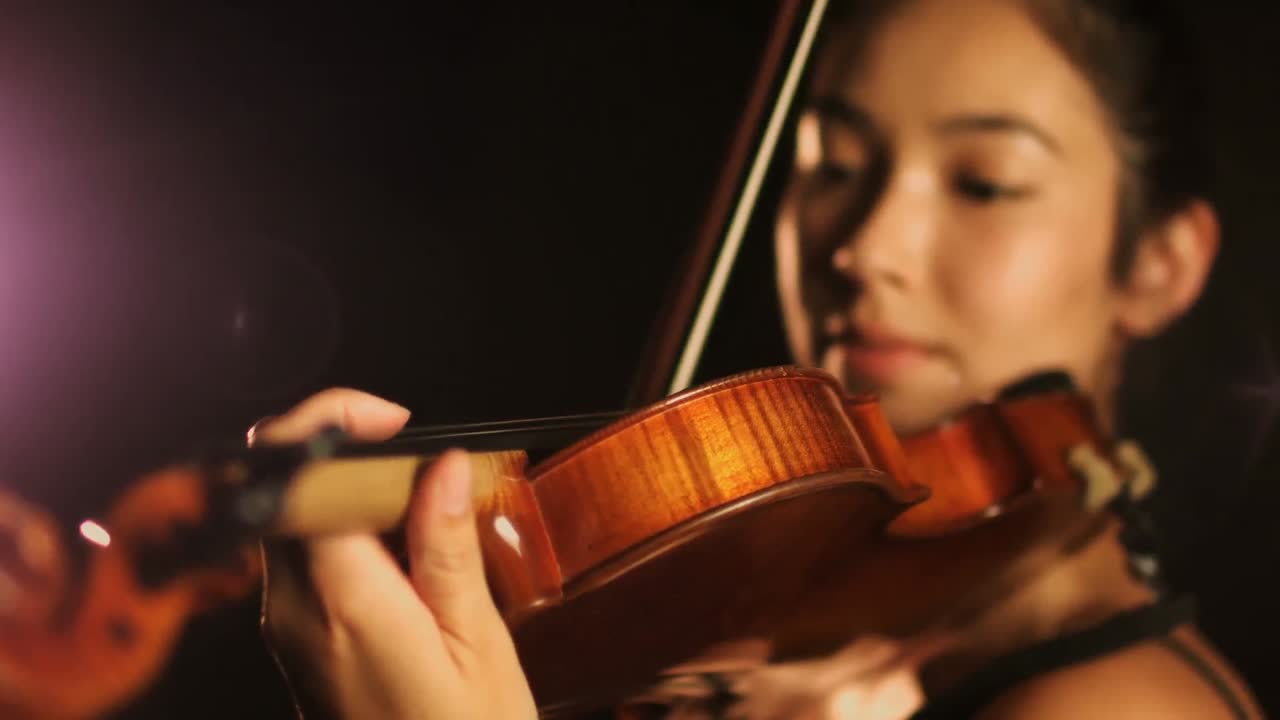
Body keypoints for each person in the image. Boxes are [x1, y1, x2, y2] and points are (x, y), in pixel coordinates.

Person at [250, 0, 1266, 717]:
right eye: (828, 164)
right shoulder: (821, 656)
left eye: (983, 183)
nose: (862, 247)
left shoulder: (1113, 707)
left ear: (1159, 264)